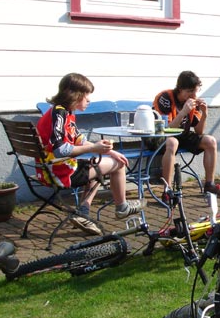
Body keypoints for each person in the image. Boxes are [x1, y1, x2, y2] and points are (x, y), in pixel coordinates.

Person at [36, 73, 144, 235]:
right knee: (119, 165)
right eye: (86, 95)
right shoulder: (59, 114)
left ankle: (83, 211)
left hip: (49, 169)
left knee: (99, 163)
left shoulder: (64, 112)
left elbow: (79, 140)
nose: (88, 100)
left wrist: (109, 151)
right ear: (75, 95)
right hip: (59, 172)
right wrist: (94, 149)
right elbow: (60, 150)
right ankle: (122, 207)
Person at [153, 70, 220, 197]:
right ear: (180, 89)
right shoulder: (164, 98)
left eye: (195, 91)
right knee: (172, 141)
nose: (193, 95)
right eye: (189, 91)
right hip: (158, 135)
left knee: (210, 141)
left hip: (181, 134)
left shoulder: (194, 101)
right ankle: (167, 190)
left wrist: (204, 114)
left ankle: (209, 184)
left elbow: (199, 131)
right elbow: (166, 129)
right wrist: (183, 112)